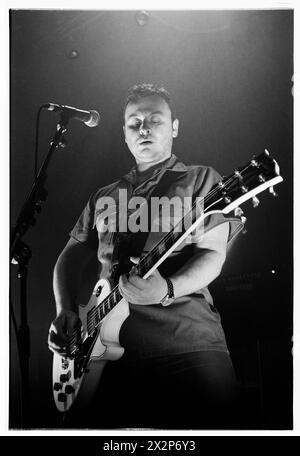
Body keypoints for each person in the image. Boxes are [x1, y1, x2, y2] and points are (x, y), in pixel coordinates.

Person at [48, 83, 244, 429]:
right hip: (108, 357)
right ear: (124, 134)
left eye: (154, 119)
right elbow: (69, 255)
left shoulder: (202, 181)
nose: (144, 128)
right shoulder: (103, 196)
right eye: (134, 122)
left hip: (188, 342)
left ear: (174, 127)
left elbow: (213, 253)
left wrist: (166, 288)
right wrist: (65, 309)